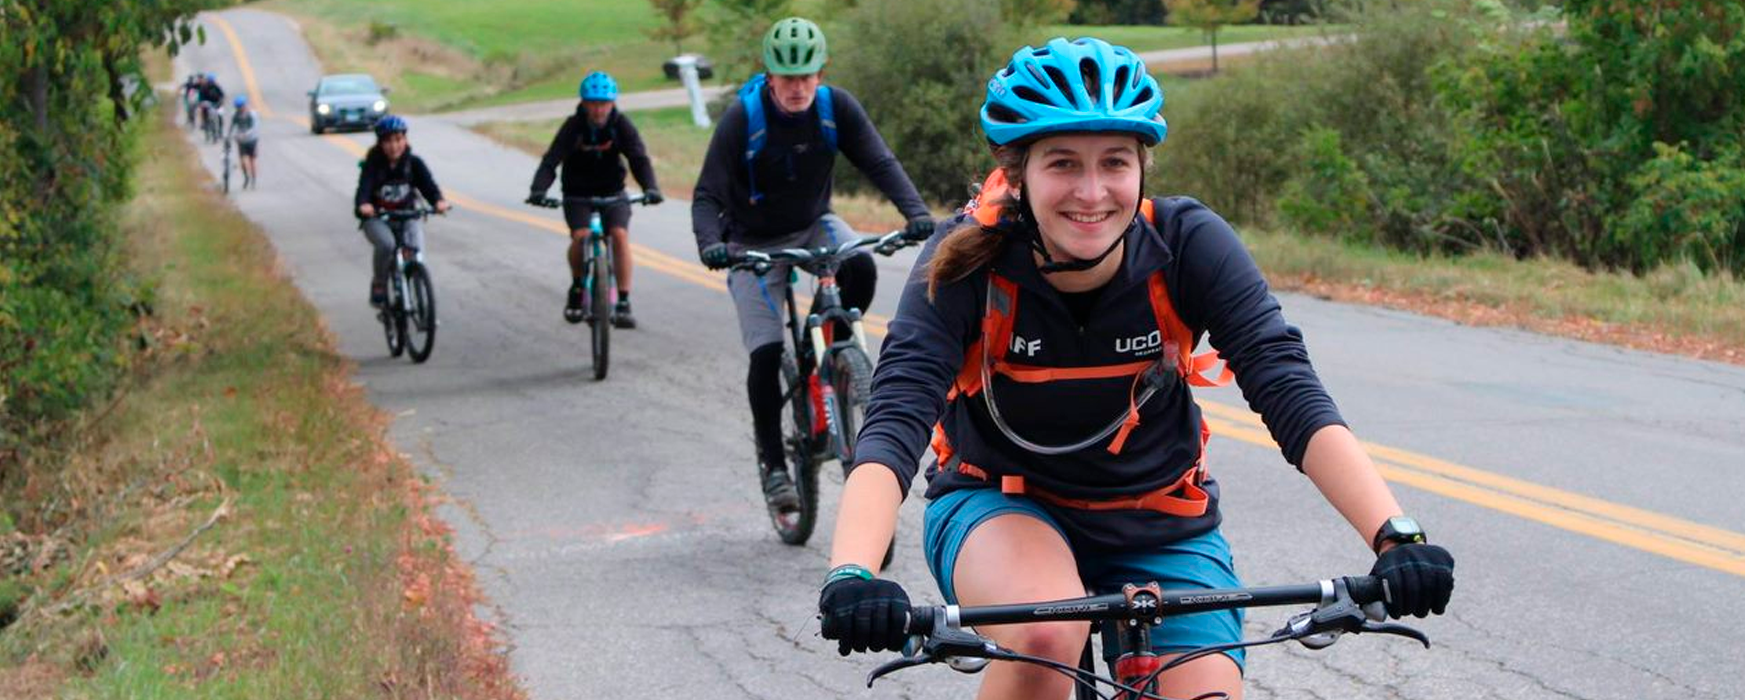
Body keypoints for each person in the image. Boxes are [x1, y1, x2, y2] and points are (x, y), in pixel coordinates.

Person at [816, 38, 1456, 698]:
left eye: (1114, 163)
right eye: (1063, 164)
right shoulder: (963, 261)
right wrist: (853, 574)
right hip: (1000, 504)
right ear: (1019, 172)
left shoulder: (1188, 245)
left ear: (1142, 168)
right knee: (1044, 633)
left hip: (1159, 516)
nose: (1091, 193)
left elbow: (1286, 385)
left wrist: (1395, 536)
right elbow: (895, 419)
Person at [690, 16, 936, 512]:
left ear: (820, 74)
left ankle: (838, 350)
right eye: (787, 77)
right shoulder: (743, 117)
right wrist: (711, 242)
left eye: (807, 76)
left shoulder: (834, 108)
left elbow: (879, 161)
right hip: (750, 243)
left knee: (860, 265)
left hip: (812, 224)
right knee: (764, 354)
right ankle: (775, 467)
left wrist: (915, 212)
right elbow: (706, 193)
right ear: (770, 75)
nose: (798, 87)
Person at [526, 71, 664, 330]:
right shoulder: (573, 126)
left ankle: (623, 301)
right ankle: (578, 286)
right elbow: (551, 160)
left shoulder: (620, 124)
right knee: (581, 236)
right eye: (593, 103)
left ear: (612, 103)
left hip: (613, 192)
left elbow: (638, 158)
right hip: (577, 194)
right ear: (584, 103)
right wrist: (538, 190)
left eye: (604, 103)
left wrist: (651, 188)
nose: (599, 110)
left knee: (620, 236)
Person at [356, 115, 450, 307]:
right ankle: (380, 284)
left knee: (416, 251)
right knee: (387, 245)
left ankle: (416, 284)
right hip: (378, 218)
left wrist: (439, 202)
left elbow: (429, 187)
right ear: (380, 143)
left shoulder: (414, 163)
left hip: (408, 215)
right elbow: (363, 191)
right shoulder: (372, 165)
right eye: (388, 141)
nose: (394, 146)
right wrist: (364, 205)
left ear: (405, 140)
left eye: (398, 139)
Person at [228, 95, 261, 189]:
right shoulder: (236, 115)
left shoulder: (252, 114)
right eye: (238, 107)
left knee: (252, 160)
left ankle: (253, 179)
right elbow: (232, 126)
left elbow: (254, 128)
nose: (239, 109)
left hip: (252, 139)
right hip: (241, 141)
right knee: (242, 160)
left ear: (245, 105)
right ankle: (246, 177)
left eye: (241, 106)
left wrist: (245, 134)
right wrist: (230, 135)